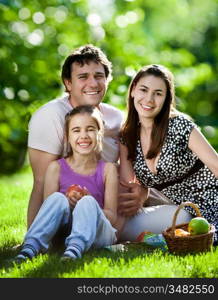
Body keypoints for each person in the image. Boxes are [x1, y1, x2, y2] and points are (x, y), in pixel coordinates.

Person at [27, 44, 161, 232]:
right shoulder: (50, 116)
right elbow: (41, 182)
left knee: (179, 208)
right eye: (83, 77)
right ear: (68, 83)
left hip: (114, 205)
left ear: (107, 80)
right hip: (70, 209)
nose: (93, 83)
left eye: (99, 76)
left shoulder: (117, 118)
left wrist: (142, 192)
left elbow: (136, 167)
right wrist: (34, 235)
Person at [118, 64, 218, 244]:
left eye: (158, 93)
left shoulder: (180, 125)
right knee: (123, 231)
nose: (149, 99)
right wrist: (139, 193)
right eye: (144, 90)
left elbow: (216, 165)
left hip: (211, 202)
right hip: (179, 211)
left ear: (166, 99)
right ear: (133, 90)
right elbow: (127, 187)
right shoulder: (127, 137)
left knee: (202, 238)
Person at [14, 105, 118, 262]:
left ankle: (74, 249)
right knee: (56, 198)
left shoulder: (107, 169)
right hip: (63, 233)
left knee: (88, 202)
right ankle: (30, 247)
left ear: (99, 133)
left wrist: (89, 205)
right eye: (76, 130)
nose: (83, 135)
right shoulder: (56, 168)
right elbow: (49, 213)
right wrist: (69, 204)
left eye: (90, 129)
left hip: (99, 234)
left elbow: (112, 216)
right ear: (67, 137)